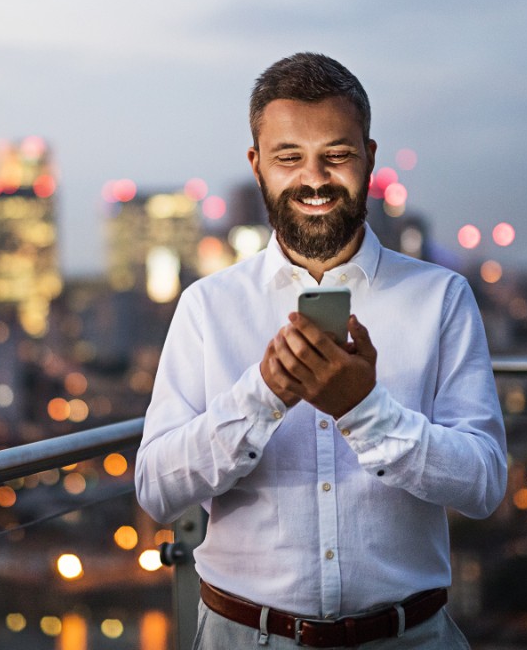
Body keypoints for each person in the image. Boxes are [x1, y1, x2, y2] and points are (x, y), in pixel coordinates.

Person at [134, 52, 507, 648]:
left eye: (336, 155)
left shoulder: (441, 296)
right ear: (257, 165)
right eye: (289, 158)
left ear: (369, 159)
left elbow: (484, 484)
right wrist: (262, 396)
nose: (314, 178)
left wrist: (366, 413)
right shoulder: (208, 306)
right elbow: (155, 489)